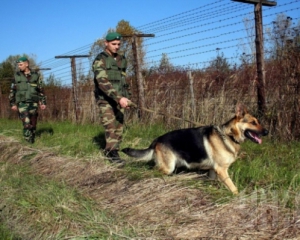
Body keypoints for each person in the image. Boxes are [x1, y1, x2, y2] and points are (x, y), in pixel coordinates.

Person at [92, 32, 131, 166]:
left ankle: (115, 150)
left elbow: (123, 81)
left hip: (120, 98)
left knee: (119, 126)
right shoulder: (100, 59)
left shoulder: (122, 59)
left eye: (119, 44)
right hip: (105, 99)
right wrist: (118, 97)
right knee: (110, 125)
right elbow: (102, 81)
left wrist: (127, 97)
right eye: (113, 44)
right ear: (106, 43)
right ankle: (111, 153)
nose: (117, 47)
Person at [9, 56, 47, 143]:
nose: (19, 66)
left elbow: (41, 90)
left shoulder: (35, 75)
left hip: (33, 103)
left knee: (33, 124)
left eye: (21, 64)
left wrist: (43, 102)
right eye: (18, 65)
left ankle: (32, 139)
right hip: (22, 103)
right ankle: (28, 143)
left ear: (27, 64)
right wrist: (12, 103)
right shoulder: (16, 76)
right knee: (26, 123)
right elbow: (12, 91)